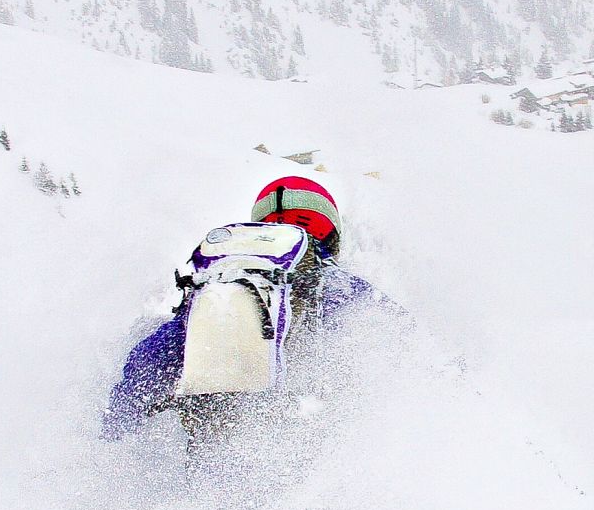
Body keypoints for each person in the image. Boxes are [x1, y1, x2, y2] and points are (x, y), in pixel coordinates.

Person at [102, 175, 388, 439]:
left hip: (212, 453)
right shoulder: (337, 285)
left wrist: (115, 431)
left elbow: (150, 360)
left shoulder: (225, 279)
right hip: (300, 447)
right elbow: (400, 341)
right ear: (331, 233)